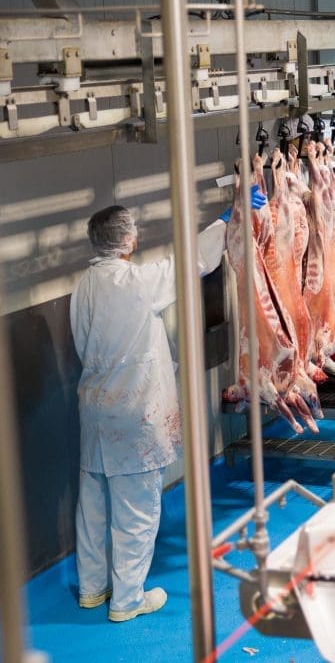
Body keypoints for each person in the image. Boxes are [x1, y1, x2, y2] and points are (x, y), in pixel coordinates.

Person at [71, 186, 266, 622]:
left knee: (94, 506)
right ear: (126, 240)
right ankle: (126, 601)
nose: (136, 236)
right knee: (136, 507)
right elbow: (189, 264)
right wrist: (225, 219)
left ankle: (91, 589)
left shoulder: (83, 287)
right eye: (134, 231)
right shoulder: (135, 283)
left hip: (94, 411)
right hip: (134, 412)